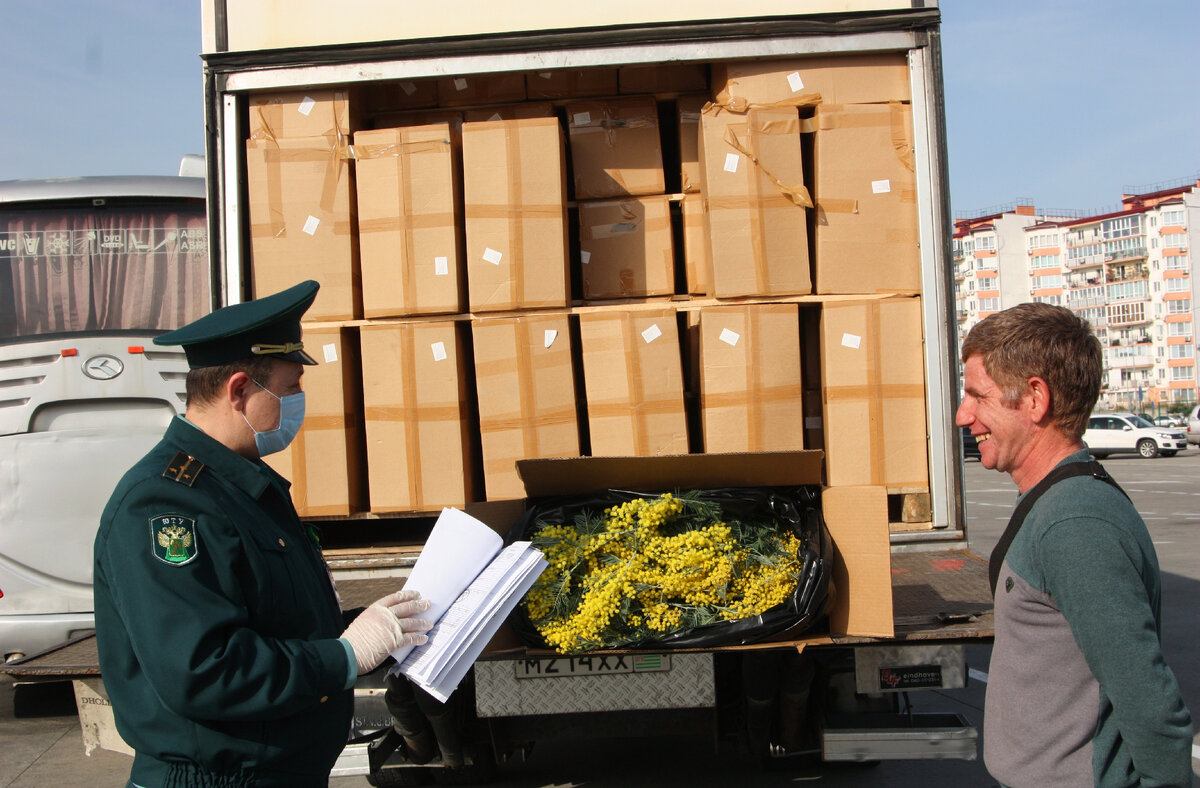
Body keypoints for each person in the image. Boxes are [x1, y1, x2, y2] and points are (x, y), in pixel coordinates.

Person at [94, 280, 434, 788]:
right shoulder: (167, 505)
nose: (298, 402)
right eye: (290, 387)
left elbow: (274, 623)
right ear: (238, 391)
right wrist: (343, 656)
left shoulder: (241, 486)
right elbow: (203, 670)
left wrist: (372, 629)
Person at [956, 302, 1192, 787]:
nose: (964, 415)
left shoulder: (1075, 523)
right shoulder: (1053, 500)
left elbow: (1149, 701)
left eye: (978, 396)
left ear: (1035, 399)